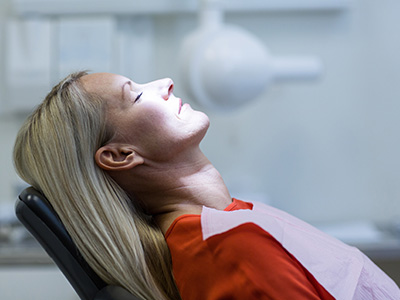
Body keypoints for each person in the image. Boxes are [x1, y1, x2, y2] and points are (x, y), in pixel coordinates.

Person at [13, 71, 399, 300]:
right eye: (136, 94)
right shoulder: (228, 250)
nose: (165, 82)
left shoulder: (226, 227)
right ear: (120, 155)